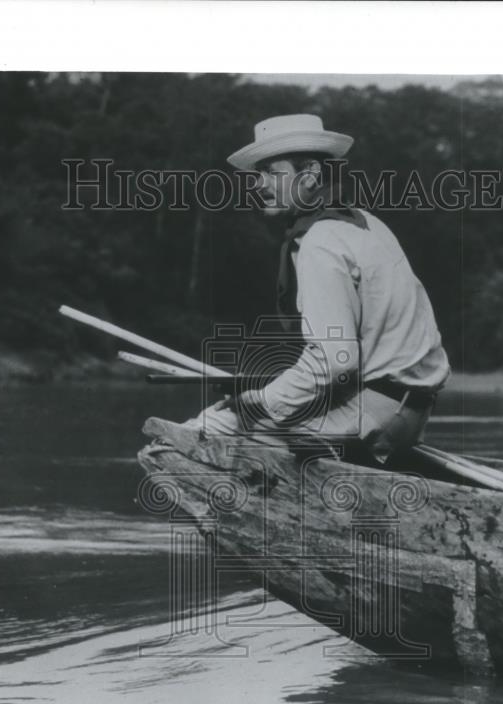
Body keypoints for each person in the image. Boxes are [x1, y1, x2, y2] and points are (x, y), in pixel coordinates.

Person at [188, 113, 450, 466]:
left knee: (202, 430)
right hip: (410, 413)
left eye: (272, 173)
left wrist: (261, 402)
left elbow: (333, 364)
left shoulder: (320, 241)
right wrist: (265, 392)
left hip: (372, 416)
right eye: (257, 174)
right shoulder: (367, 223)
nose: (258, 184)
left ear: (309, 173)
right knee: (248, 410)